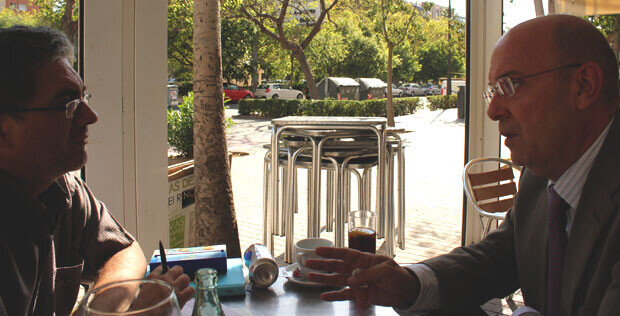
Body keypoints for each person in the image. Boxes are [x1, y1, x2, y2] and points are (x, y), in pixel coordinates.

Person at [305, 14, 620, 316]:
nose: (493, 110)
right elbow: (503, 257)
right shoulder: (541, 178)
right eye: (493, 91)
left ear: (584, 85)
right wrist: (411, 284)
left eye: (511, 84)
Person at [0, 26, 194, 315]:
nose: (90, 117)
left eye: (83, 98)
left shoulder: (59, 189)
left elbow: (124, 251)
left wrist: (96, 310)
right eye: (67, 104)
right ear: (4, 130)